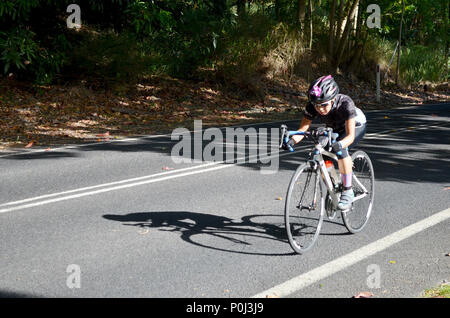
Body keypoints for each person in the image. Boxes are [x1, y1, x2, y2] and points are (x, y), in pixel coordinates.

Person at [286, 75, 367, 210]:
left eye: (324, 105)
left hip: (356, 126)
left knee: (340, 149)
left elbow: (350, 136)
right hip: (334, 128)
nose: (320, 109)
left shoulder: (345, 104)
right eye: (316, 105)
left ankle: (348, 191)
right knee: (321, 154)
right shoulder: (313, 106)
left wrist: (339, 145)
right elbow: (302, 130)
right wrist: (291, 141)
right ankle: (334, 186)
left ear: (333, 99)